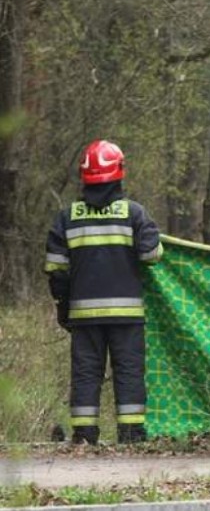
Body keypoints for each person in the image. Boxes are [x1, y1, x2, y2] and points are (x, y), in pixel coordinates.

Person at [44, 140, 163, 445]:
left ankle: (84, 435)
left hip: (83, 317)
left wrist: (63, 306)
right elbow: (151, 255)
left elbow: (56, 269)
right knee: (129, 372)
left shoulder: (67, 217)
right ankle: (131, 435)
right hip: (127, 316)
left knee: (85, 373)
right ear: (119, 173)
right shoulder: (134, 213)